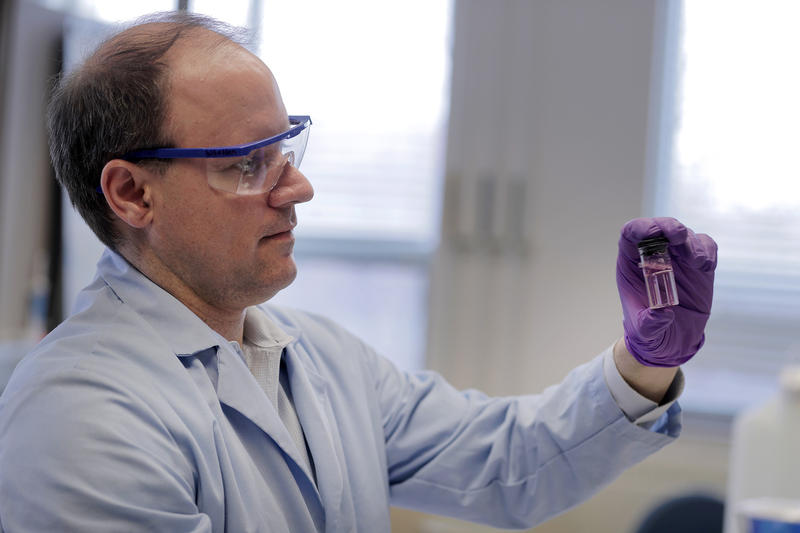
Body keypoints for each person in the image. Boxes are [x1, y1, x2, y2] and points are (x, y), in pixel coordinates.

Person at [0, 12, 717, 533]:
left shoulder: (317, 357)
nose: (296, 189)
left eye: (286, 150)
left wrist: (644, 361)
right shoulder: (81, 412)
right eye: (246, 163)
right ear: (131, 194)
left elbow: (508, 464)